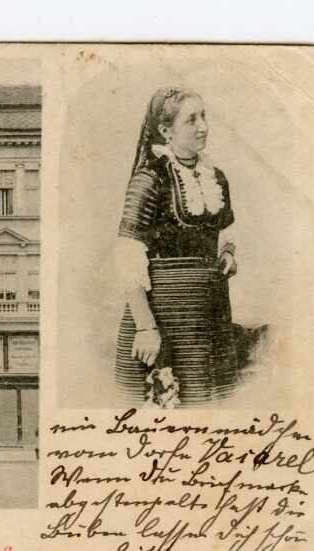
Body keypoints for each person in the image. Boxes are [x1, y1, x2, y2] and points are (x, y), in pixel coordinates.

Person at [115, 87, 250, 407]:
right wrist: (146, 327)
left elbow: (227, 229)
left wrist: (228, 253)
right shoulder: (150, 179)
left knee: (213, 404)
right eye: (191, 119)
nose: (203, 126)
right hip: (163, 318)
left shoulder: (216, 177)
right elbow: (128, 256)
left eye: (204, 116)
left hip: (211, 318)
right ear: (165, 131)